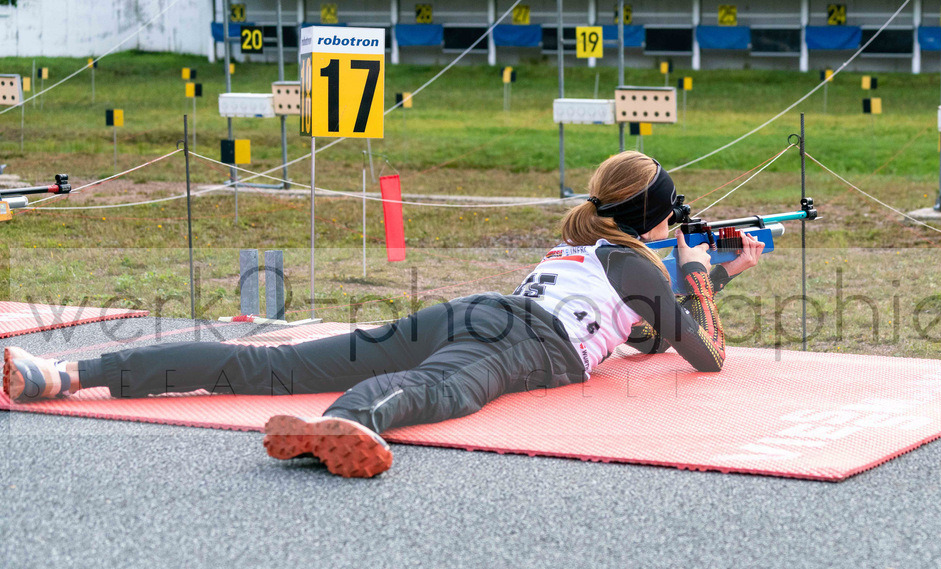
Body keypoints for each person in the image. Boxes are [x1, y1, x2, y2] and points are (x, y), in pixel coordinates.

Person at [3, 151, 763, 478]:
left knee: (275, 366)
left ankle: (66, 371)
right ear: (657, 216)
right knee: (442, 390)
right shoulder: (636, 261)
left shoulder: (589, 244)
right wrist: (707, 268)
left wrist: (704, 268)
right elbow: (698, 352)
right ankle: (348, 423)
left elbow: (641, 334)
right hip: (532, 343)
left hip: (483, 311)